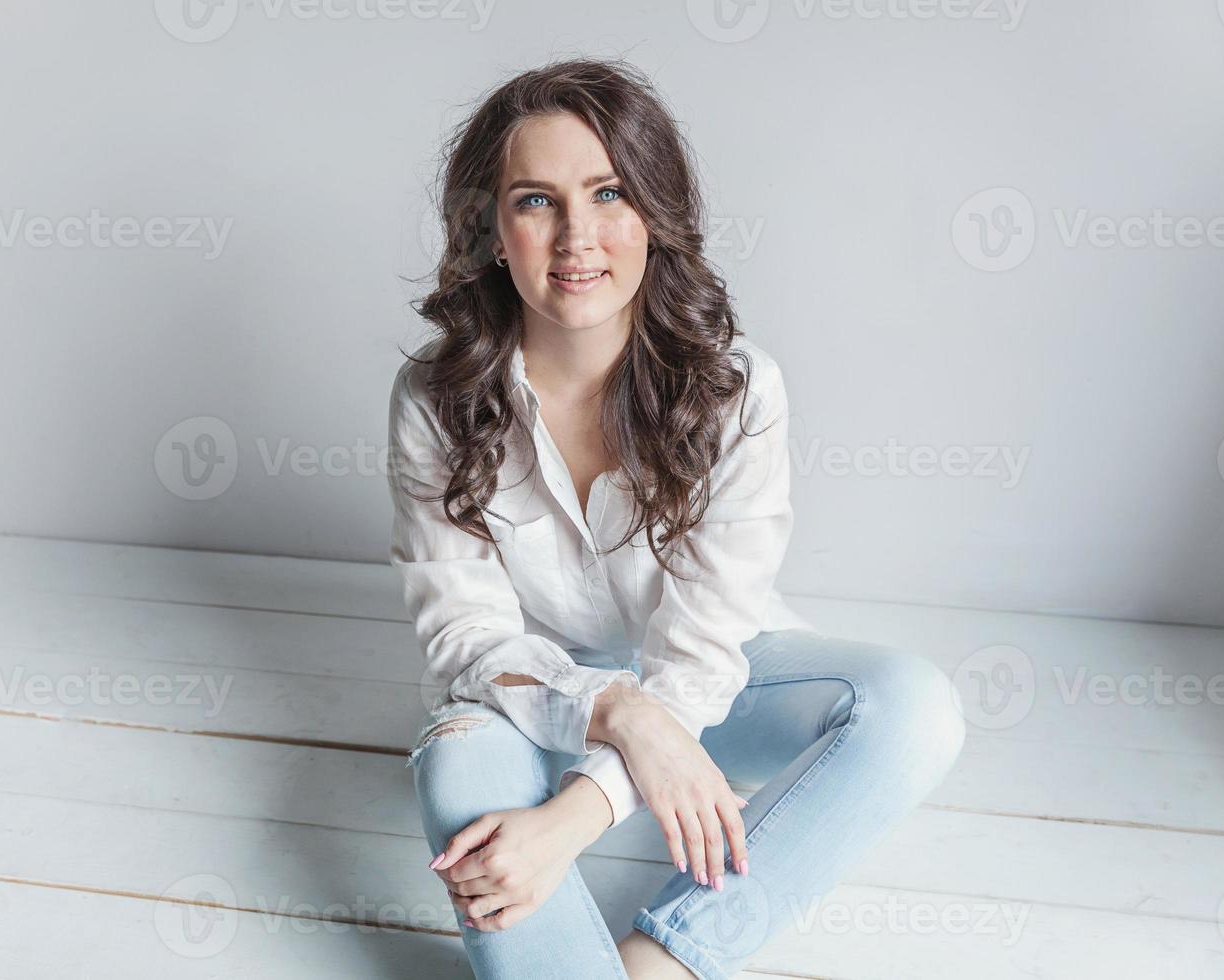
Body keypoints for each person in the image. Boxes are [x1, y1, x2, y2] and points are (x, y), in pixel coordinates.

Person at [385, 57, 966, 980]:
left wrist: (583, 808)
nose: (576, 236)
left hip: (714, 687)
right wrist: (615, 710)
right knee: (456, 767)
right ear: (492, 230)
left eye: (609, 192)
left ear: (653, 210)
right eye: (536, 201)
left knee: (914, 708)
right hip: (532, 694)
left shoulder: (738, 391)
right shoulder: (435, 395)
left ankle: (666, 963)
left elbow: (700, 662)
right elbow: (464, 635)